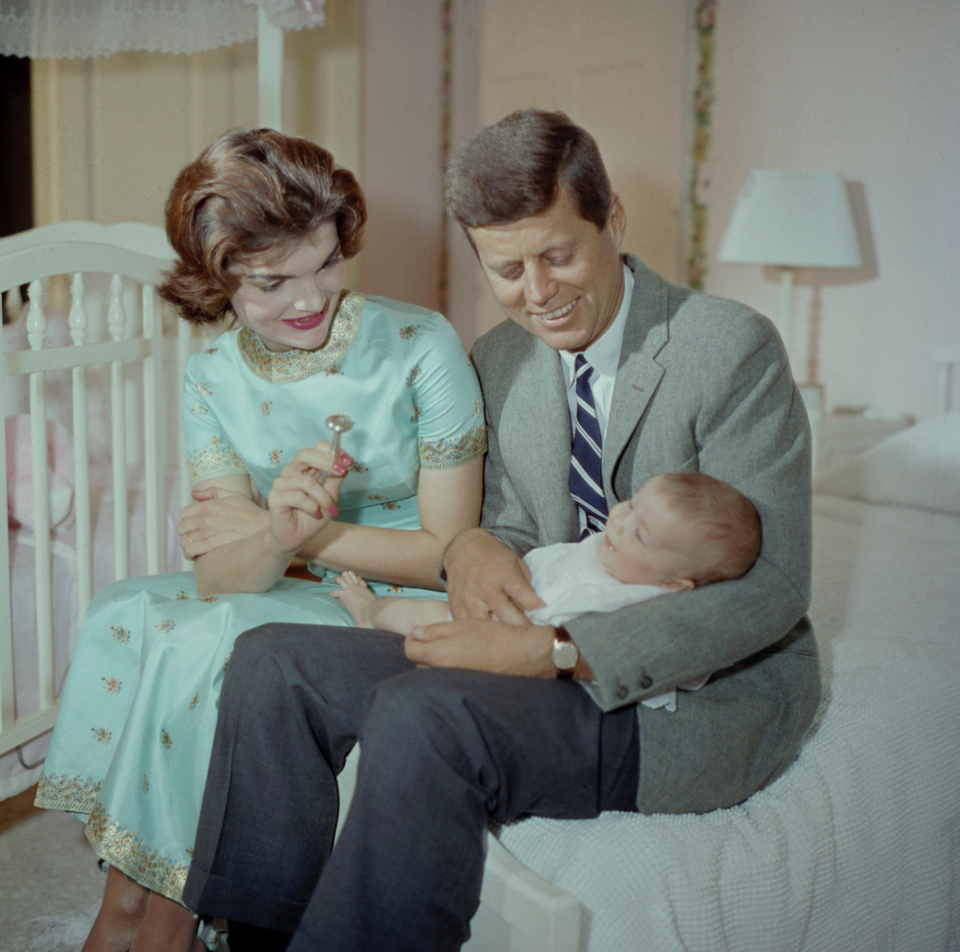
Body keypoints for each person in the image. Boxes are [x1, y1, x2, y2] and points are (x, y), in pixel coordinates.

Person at [182, 108, 821, 952]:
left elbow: (771, 585)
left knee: (428, 714)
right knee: (274, 664)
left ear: (613, 220)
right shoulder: (500, 359)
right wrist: (474, 544)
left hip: (688, 699)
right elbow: (513, 527)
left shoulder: (728, 347)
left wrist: (561, 651)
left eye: (558, 256)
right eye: (507, 269)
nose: (538, 293)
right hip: (531, 638)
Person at [34, 128, 485, 952]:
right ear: (218, 280)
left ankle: (163, 918)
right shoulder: (211, 377)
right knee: (125, 610)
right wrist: (276, 535)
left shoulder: (422, 347)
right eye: (274, 281)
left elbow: (447, 551)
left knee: (218, 642)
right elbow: (218, 576)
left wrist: (313, 533)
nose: (311, 298)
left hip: (391, 594)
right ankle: (130, 902)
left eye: (326, 264)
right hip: (285, 572)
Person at [332, 473, 761, 677]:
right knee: (411, 611)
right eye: (630, 505)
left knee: (425, 630)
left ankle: (375, 614)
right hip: (492, 601)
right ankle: (373, 611)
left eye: (641, 536)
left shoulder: (633, 605)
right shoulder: (608, 549)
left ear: (672, 585)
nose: (619, 523)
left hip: (511, 647)